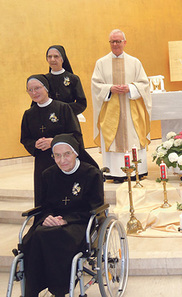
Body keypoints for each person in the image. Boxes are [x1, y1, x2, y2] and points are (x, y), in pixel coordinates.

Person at [22, 134, 104, 296]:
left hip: (80, 222)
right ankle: (32, 291)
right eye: (57, 155)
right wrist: (48, 217)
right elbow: (44, 205)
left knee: (60, 237)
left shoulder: (91, 174)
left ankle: (59, 290)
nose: (62, 160)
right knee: (36, 236)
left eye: (67, 154)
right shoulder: (48, 175)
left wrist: (65, 220)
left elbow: (94, 208)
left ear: (76, 153)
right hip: (51, 220)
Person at [91, 29, 152, 183]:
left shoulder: (135, 62)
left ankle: (138, 170)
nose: (115, 44)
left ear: (125, 42)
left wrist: (130, 88)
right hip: (110, 111)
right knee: (113, 137)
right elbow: (96, 85)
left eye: (118, 41)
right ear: (109, 43)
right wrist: (109, 88)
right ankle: (115, 173)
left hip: (132, 111)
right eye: (112, 41)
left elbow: (144, 83)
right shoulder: (101, 63)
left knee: (134, 137)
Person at [21, 74, 83, 206]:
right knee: (45, 196)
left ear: (46, 88)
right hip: (42, 162)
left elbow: (75, 134)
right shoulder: (28, 114)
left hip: (64, 161)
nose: (34, 92)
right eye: (30, 90)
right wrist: (34, 144)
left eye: (37, 88)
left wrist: (54, 142)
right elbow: (25, 138)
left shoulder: (63, 108)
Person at [44, 45, 87, 116]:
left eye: (56, 56)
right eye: (49, 56)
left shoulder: (73, 79)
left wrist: (63, 110)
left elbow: (81, 103)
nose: (52, 59)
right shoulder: (44, 80)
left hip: (68, 118)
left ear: (62, 59)